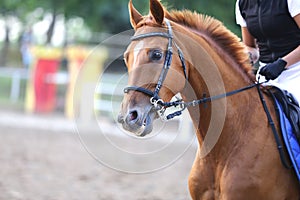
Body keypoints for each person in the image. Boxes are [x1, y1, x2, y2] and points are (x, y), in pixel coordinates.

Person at [235, 0, 300, 106]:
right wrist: (248, 57)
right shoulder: (242, 3)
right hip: (266, 73)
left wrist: (283, 63)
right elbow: (251, 47)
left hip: (296, 70)